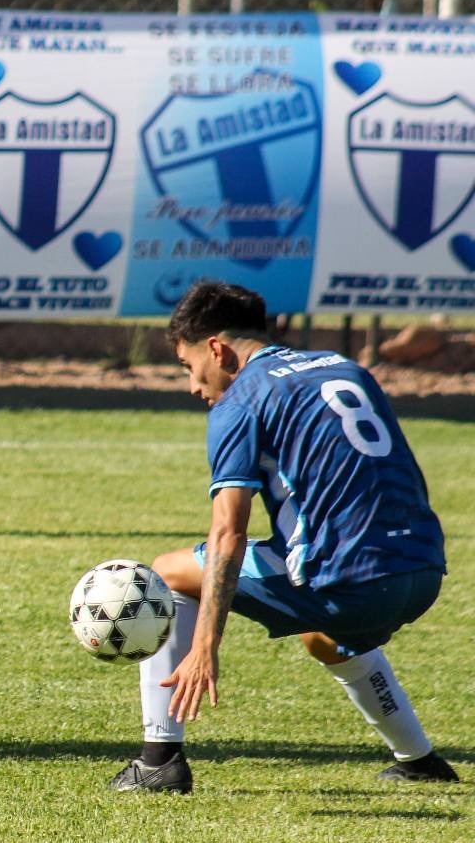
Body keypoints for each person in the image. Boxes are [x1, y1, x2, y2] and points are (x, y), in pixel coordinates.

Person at [110, 280, 457, 793]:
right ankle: (418, 758)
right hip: (424, 569)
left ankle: (158, 761)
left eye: (188, 369)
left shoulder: (240, 400)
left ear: (217, 349)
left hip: (350, 586)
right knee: (321, 635)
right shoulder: (345, 368)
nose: (192, 387)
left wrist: (206, 642)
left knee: (166, 573)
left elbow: (228, 533)